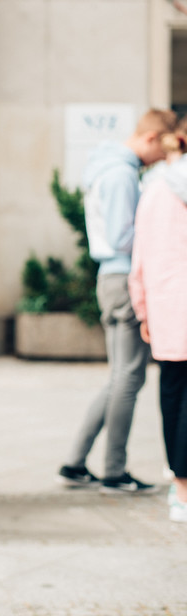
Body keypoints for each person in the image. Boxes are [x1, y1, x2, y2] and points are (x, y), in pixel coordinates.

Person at [58, 108, 177, 493]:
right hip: (124, 276)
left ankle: (76, 463)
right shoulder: (123, 173)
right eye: (165, 148)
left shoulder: (106, 165)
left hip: (110, 275)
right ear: (152, 138)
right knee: (129, 376)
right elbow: (124, 235)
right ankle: (113, 470)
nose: (165, 157)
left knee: (119, 377)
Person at [128, 132, 187, 523]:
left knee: (174, 392)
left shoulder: (156, 188)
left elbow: (141, 255)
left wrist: (143, 308)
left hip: (170, 305)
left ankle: (180, 487)